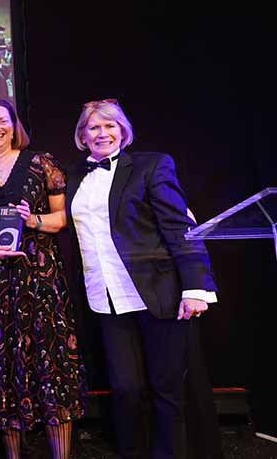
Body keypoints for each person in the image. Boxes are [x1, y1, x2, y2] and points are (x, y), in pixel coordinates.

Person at [65, 99, 219, 459]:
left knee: (167, 389)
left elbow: (180, 227)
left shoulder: (151, 165)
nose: (102, 133)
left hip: (158, 291)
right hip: (104, 296)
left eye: (110, 126)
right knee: (125, 389)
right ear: (82, 136)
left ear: (123, 131)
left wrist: (197, 286)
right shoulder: (74, 175)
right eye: (93, 128)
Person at [0, 99, 86, 459]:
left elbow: (61, 219)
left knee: (51, 366)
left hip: (39, 280)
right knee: (1, 369)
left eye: (2, 121)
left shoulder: (42, 164)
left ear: (14, 125)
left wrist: (33, 221)